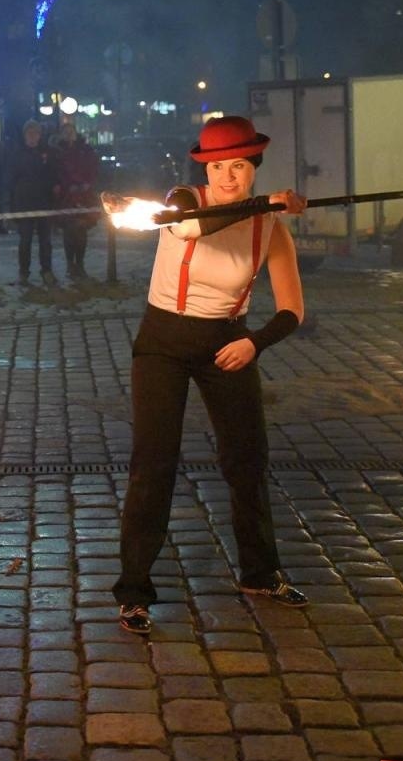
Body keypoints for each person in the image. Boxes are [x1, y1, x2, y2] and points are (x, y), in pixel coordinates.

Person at [113, 115, 310, 637]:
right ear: (206, 170)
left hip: (228, 341)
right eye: (219, 166)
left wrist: (254, 343)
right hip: (163, 344)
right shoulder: (184, 201)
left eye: (239, 166)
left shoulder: (270, 227)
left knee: (247, 460)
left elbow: (292, 310)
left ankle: (260, 573)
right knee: (154, 463)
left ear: (253, 169)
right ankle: (134, 592)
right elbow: (195, 229)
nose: (228, 177)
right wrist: (266, 202)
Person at [7, 119, 57, 286]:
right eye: (29, 133)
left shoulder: (47, 153)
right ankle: (24, 272)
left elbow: (53, 175)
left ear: (39, 135)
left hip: (43, 202)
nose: (32, 136)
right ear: (25, 135)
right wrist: (13, 206)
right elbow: (11, 181)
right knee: (25, 241)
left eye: (35, 133)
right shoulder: (17, 154)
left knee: (45, 241)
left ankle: (46, 270)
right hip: (24, 203)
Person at [51, 123, 101, 280]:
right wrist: (67, 186)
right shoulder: (57, 152)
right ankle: (70, 264)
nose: (69, 134)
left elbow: (93, 168)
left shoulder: (85, 150)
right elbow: (56, 172)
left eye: (71, 131)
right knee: (69, 230)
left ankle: (79, 264)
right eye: (65, 132)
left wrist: (87, 184)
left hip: (84, 196)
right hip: (67, 196)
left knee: (81, 230)